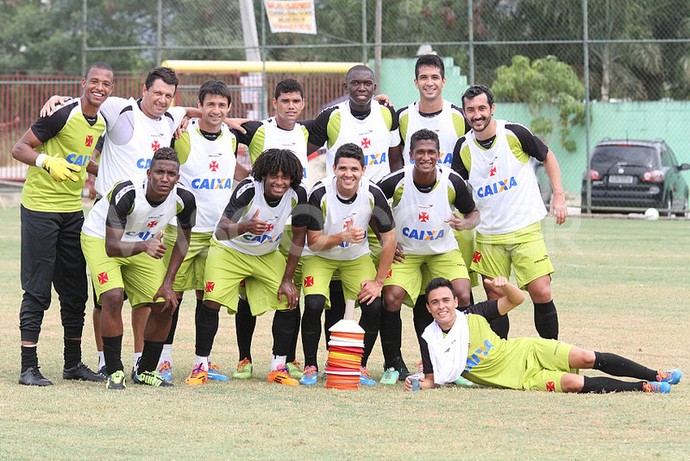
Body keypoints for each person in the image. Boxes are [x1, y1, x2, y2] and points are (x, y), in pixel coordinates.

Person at [41, 67, 189, 376]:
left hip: (148, 222)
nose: (161, 100)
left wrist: (202, 117)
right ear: (143, 89)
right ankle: (105, 360)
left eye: (168, 95)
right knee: (107, 298)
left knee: (147, 301)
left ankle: (140, 361)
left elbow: (192, 110)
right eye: (157, 93)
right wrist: (59, 98)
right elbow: (87, 100)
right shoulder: (119, 108)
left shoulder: (171, 118)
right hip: (110, 219)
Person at [11, 62, 114, 386]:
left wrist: (111, 176)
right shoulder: (61, 113)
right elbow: (20, 148)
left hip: (72, 212)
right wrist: (46, 161)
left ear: (111, 89)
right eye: (94, 81)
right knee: (38, 289)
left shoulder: (100, 121)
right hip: (40, 209)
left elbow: (83, 161)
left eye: (106, 84)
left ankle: (73, 364)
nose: (99, 87)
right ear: (83, 83)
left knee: (75, 292)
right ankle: (29, 366)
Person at [408, 277, 683, 393]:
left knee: (586, 356)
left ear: (456, 301)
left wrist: (508, 286)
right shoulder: (430, 340)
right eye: (435, 302)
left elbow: (516, 301)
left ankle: (655, 374)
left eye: (446, 300)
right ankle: (644, 388)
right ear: (429, 308)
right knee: (574, 383)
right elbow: (435, 378)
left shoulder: (474, 314)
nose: (442, 306)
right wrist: (417, 384)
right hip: (522, 379)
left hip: (527, 350)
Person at [453, 84, 567, 340]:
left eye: (482, 108)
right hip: (488, 235)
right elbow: (455, 187)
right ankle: (500, 355)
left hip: (524, 228)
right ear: (464, 113)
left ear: (492, 108)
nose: (477, 115)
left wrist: (558, 195)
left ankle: (551, 352)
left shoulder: (514, 133)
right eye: (471, 110)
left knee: (541, 291)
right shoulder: (463, 147)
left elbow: (548, 156)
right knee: (496, 298)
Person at [189, 148, 308, 387]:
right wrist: (245, 227)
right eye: (274, 176)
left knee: (288, 300)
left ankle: (278, 367)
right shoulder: (248, 189)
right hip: (230, 251)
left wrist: (287, 279)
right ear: (264, 175)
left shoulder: (298, 194)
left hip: (266, 254)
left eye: (285, 177)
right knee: (211, 300)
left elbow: (298, 238)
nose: (279, 182)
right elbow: (221, 231)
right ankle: (201, 365)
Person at [80, 147, 195, 389]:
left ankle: (145, 371)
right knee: (112, 296)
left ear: (178, 177)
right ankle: (114, 371)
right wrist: (145, 246)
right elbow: (112, 247)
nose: (165, 179)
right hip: (101, 239)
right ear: (148, 173)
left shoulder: (185, 199)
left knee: (164, 302)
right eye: (159, 172)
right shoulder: (127, 193)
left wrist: (168, 283)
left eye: (171, 174)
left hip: (143, 243)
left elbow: (184, 241)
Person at [157, 80, 248, 382]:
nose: (216, 110)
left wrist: (253, 179)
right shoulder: (182, 135)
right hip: (182, 230)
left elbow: (230, 169)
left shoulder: (232, 139)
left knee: (209, 299)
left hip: (217, 233)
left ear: (229, 108)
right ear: (200, 106)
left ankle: (202, 362)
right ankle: (163, 361)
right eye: (210, 104)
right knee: (173, 296)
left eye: (222, 105)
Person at [377, 128, 479, 384]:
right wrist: (385, 240)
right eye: (420, 152)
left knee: (463, 293)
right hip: (406, 253)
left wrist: (465, 224)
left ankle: (461, 364)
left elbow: (473, 213)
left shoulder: (452, 180)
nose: (425, 157)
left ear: (439, 155)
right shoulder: (396, 181)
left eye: (431, 152)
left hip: (442, 251)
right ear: (410, 154)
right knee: (391, 297)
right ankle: (393, 364)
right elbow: (371, 206)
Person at [230, 78, 311, 381]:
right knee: (245, 294)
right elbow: (219, 122)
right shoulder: (258, 130)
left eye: (296, 101)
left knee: (290, 292)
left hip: (291, 222)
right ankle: (244, 358)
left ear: (302, 104)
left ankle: (287, 359)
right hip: (255, 222)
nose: (291, 106)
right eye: (285, 101)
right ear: (274, 102)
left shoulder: (305, 131)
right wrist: (189, 116)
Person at [299, 143, 397, 386]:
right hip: (321, 257)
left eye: (354, 168)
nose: (348, 174)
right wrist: (341, 237)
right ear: (334, 168)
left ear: (363, 170)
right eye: (342, 168)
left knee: (373, 305)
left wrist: (378, 282)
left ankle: (358, 366)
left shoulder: (373, 193)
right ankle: (311, 365)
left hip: (355, 258)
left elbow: (390, 238)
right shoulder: (319, 193)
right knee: (314, 303)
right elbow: (313, 243)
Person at [308, 64, 402, 184]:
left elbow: (396, 160)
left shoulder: (387, 113)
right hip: (341, 197)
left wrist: (395, 188)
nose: (361, 88)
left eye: (367, 84)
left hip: (379, 197)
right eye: (355, 83)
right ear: (346, 87)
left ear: (374, 88)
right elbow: (303, 152)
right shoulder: (330, 117)